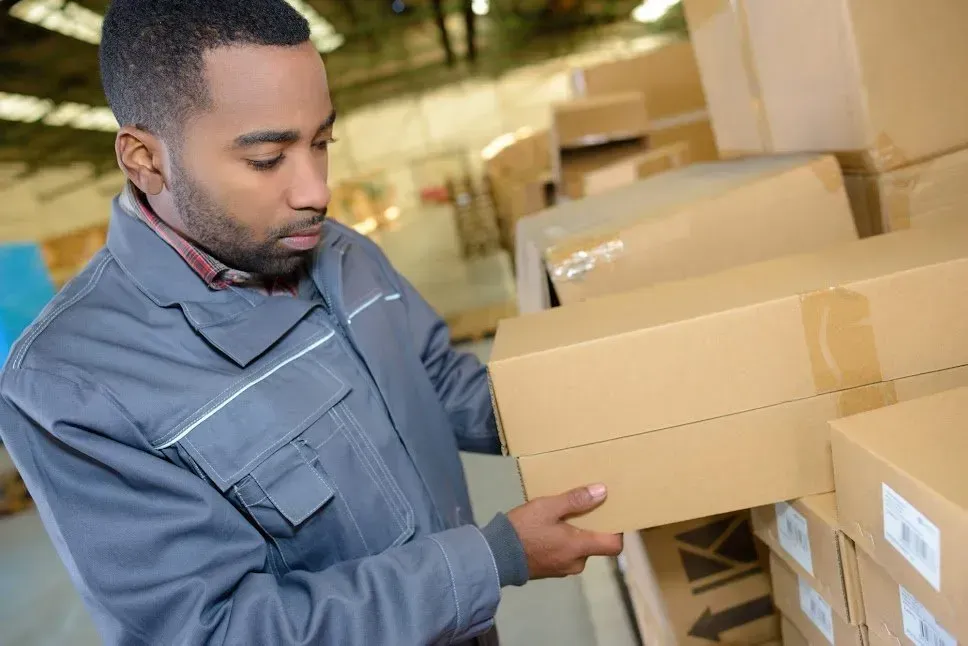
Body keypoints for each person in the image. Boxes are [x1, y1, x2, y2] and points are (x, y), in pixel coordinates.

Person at [0, 1, 623, 644]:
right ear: (144, 160)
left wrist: (602, 404)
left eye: (322, 143)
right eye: (268, 158)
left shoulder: (341, 251)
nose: (315, 192)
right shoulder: (74, 382)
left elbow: (440, 383)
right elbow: (215, 631)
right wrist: (491, 560)